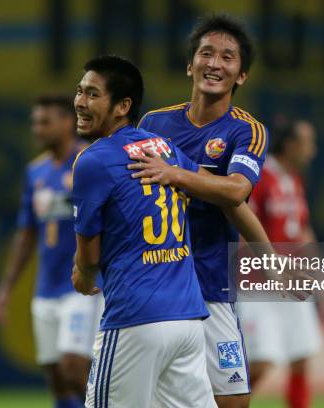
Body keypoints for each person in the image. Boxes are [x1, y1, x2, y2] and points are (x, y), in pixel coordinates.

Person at [133, 13, 267, 408]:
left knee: (234, 403)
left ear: (241, 75)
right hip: (157, 284)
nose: (214, 63)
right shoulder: (153, 124)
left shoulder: (246, 130)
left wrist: (174, 172)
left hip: (211, 286)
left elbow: (235, 192)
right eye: (206, 54)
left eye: (228, 57)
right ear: (190, 64)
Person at [70, 55, 216, 408]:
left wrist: (84, 277)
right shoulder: (163, 149)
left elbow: (89, 257)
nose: (79, 102)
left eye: (92, 94)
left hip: (136, 319)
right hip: (188, 319)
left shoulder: (93, 160)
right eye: (79, 91)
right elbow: (208, 183)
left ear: (123, 106)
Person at [0, 95, 103, 408]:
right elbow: (26, 234)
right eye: (35, 122)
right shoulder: (35, 172)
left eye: (45, 121)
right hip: (46, 287)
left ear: (68, 121)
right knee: (56, 376)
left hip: (81, 286)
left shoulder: (89, 161)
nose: (37, 129)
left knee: (73, 367)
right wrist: (6, 288)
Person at [238, 116, 324, 408]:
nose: (312, 151)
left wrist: (320, 276)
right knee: (261, 363)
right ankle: (224, 403)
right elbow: (243, 229)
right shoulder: (260, 178)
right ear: (290, 145)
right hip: (258, 288)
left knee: (302, 356)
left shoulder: (293, 180)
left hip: (291, 285)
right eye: (307, 143)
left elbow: (302, 229)